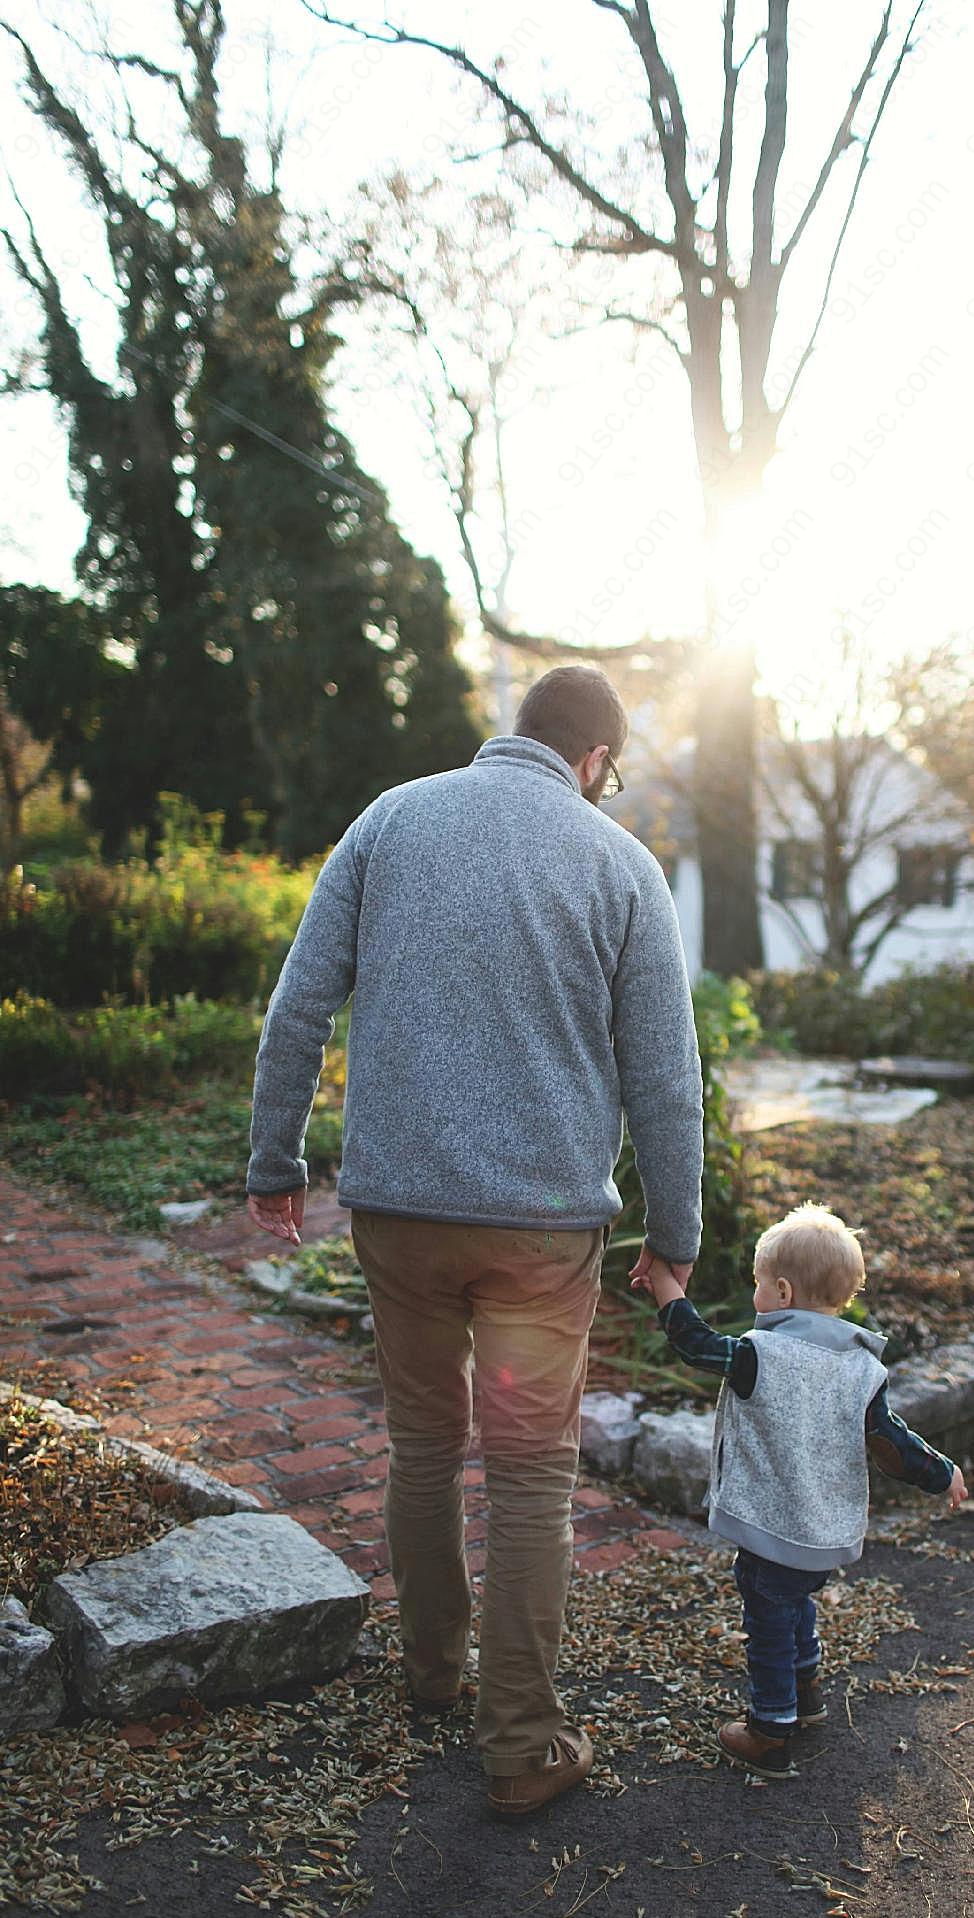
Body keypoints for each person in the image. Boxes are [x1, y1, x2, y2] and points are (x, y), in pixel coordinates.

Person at [245, 664, 704, 1819]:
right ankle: (523, 1742)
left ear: (519, 733)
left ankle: (430, 1676)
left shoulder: (391, 820)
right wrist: (677, 1238)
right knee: (531, 1476)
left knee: (421, 1443)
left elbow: (299, 1006)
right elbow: (666, 1080)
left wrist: (274, 1165)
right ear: (596, 760)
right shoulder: (622, 866)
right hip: (543, 1234)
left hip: (399, 1212)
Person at [635, 1202, 967, 1778]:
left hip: (772, 1524)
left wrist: (665, 1284)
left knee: (767, 1615)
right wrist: (942, 1472)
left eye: (759, 1284)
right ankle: (806, 1692)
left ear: (782, 1292)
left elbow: (694, 1342)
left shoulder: (761, 1355)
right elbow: (891, 1441)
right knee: (796, 1601)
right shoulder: (860, 1368)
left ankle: (770, 1729)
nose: (756, 1294)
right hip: (823, 1532)